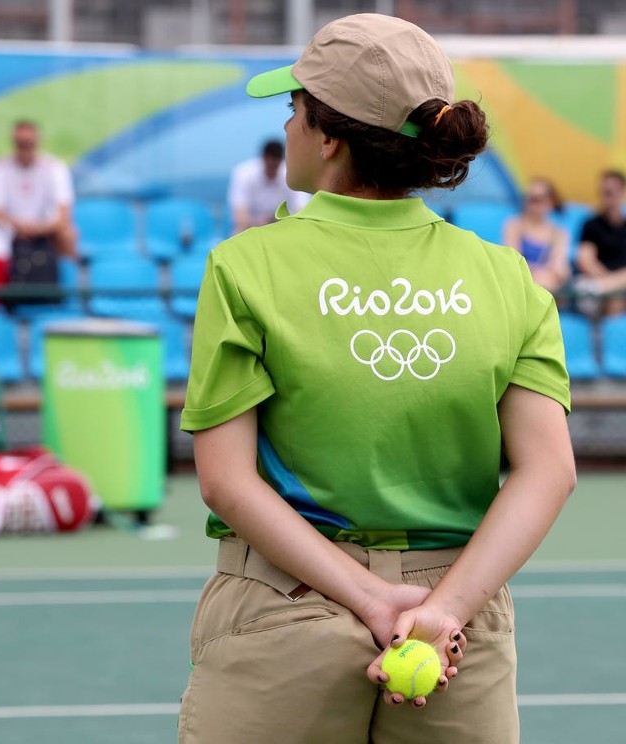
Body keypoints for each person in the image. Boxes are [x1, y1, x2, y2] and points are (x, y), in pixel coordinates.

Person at [180, 14, 575, 744]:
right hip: (456, 623)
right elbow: (549, 469)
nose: (289, 126)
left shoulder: (244, 265)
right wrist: (444, 609)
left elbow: (225, 483)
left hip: (284, 598)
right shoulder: (506, 276)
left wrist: (371, 599)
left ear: (328, 137)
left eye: (294, 109)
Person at [0, 120, 76, 262]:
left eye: (28, 142)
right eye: (20, 143)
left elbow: (63, 214)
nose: (25, 147)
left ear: (38, 142)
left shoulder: (55, 168)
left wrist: (38, 229)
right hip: (8, 230)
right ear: (14, 142)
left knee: (68, 234)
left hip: (46, 230)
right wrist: (18, 226)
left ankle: (67, 279)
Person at [503, 177, 570, 294]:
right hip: (521, 284)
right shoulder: (514, 225)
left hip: (548, 285)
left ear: (550, 201)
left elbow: (559, 267)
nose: (532, 204)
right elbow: (513, 262)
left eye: (538, 199)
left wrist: (559, 272)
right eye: (529, 199)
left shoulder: (558, 233)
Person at [227, 138, 308, 233]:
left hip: (281, 228)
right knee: (239, 231)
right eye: (269, 164)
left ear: (281, 161)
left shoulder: (292, 174)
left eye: (275, 165)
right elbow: (240, 218)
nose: (272, 169)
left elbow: (301, 210)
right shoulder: (244, 173)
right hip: (251, 229)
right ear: (263, 158)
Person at [576, 170, 626, 316]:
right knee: (615, 296)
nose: (608, 197)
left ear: (622, 192)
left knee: (616, 297)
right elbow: (585, 261)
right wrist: (614, 282)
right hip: (598, 286)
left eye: (612, 192)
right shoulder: (591, 225)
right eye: (605, 192)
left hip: (604, 288)